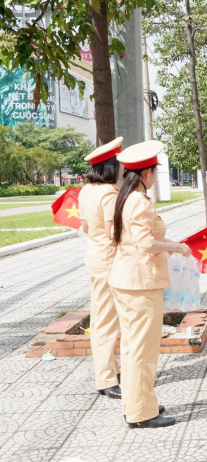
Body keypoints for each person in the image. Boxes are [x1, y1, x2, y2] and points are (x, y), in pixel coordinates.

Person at [110, 140, 191, 429]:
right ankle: (142, 412)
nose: (156, 176)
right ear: (146, 174)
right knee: (142, 350)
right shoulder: (139, 202)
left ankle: (137, 404)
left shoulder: (124, 197)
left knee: (133, 348)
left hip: (125, 279)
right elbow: (145, 244)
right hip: (141, 283)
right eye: (155, 171)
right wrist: (175, 247)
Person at [79, 136, 124, 399]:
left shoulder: (86, 191)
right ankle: (106, 379)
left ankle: (112, 371)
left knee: (101, 318)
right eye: (118, 165)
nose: (121, 170)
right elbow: (112, 232)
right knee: (107, 322)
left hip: (95, 256)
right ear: (110, 167)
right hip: (109, 259)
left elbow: (85, 226)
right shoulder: (109, 193)